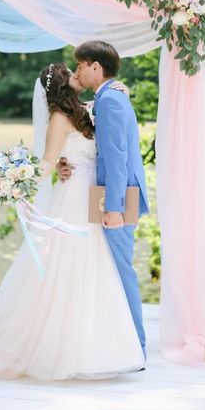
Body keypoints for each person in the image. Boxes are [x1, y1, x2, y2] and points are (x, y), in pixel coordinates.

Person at [0, 63, 145, 381]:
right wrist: (15, 179)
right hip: (75, 196)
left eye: (77, 69)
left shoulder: (87, 108)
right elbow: (50, 161)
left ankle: (99, 344)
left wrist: (123, 90)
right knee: (68, 267)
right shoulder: (59, 118)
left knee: (96, 267)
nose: (77, 74)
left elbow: (107, 114)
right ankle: (64, 347)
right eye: (71, 73)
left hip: (92, 193)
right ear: (63, 85)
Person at [58, 41, 149, 358]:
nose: (78, 71)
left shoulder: (110, 100)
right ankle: (118, 343)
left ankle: (136, 347)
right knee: (111, 271)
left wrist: (114, 208)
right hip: (112, 193)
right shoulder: (109, 97)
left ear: (96, 66)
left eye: (81, 65)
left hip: (119, 196)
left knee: (122, 271)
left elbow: (117, 157)